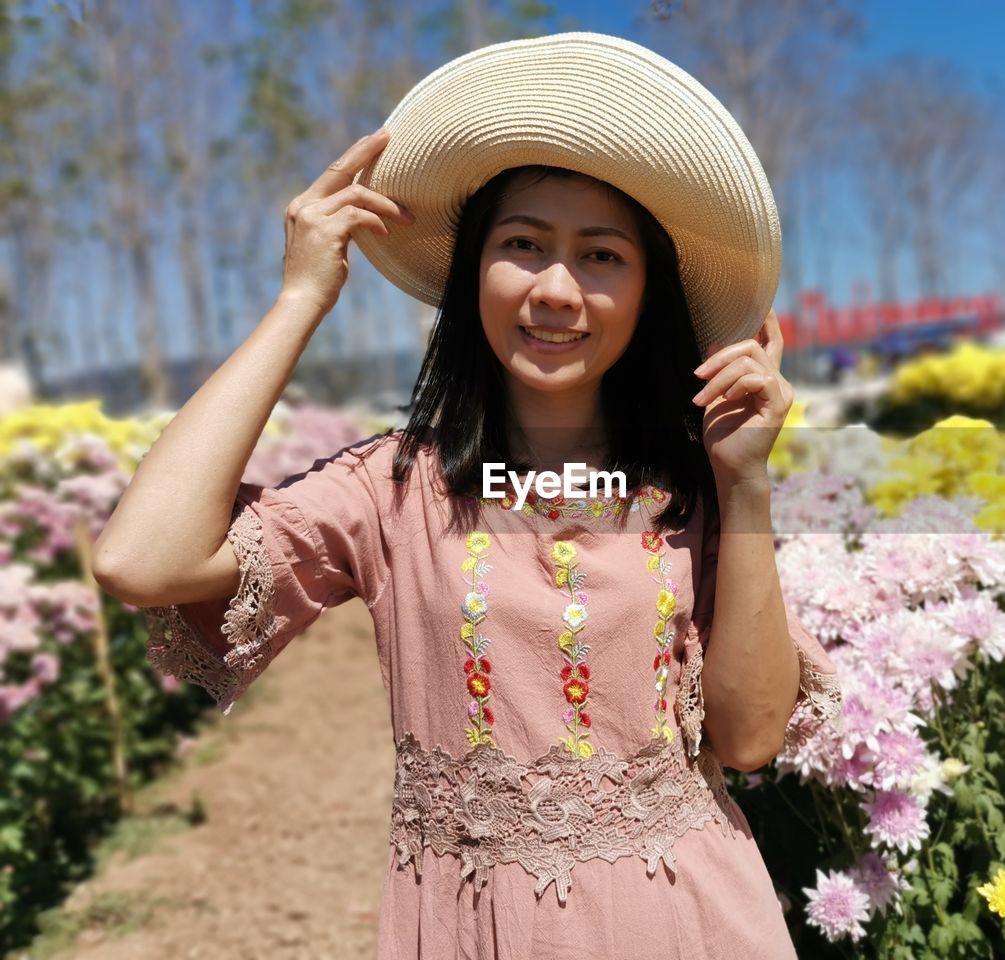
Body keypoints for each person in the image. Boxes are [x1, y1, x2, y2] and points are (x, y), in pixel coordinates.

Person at [92, 32, 843, 959]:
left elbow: (752, 736)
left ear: (646, 293)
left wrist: (746, 482)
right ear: (472, 273)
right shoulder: (391, 490)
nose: (557, 289)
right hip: (467, 928)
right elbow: (140, 560)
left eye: (602, 256)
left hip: (685, 920)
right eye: (523, 245)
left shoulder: (692, 488)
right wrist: (299, 302)